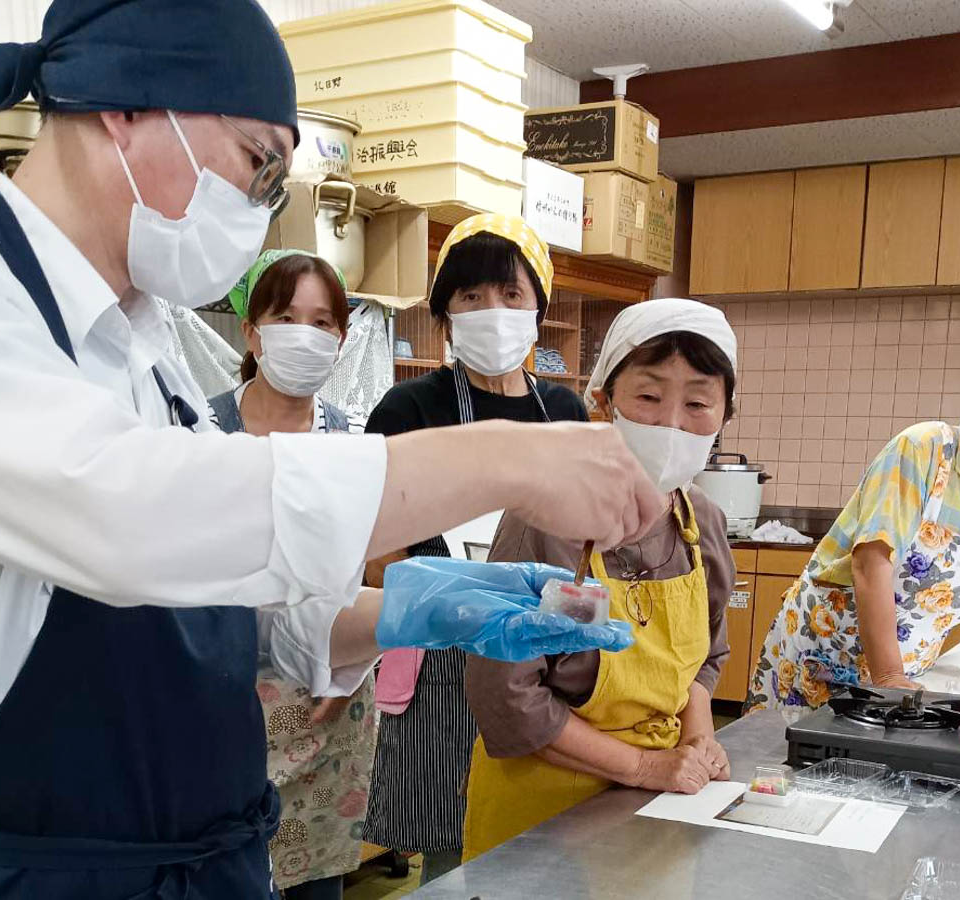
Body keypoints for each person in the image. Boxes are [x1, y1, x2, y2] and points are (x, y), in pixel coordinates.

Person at [0, 3, 664, 898]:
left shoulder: (141, 345)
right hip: (54, 875)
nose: (258, 209)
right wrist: (505, 457)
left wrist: (414, 609)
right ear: (128, 105)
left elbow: (210, 609)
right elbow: (129, 518)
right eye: (258, 165)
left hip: (213, 859)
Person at [462, 299, 739, 861]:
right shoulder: (548, 516)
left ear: (726, 414)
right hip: (543, 809)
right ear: (605, 399)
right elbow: (506, 694)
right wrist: (644, 765)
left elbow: (705, 657)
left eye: (698, 403)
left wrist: (697, 737)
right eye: (648, 395)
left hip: (658, 807)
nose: (671, 423)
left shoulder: (701, 524)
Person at [362, 214, 589, 884]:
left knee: (549, 835)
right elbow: (379, 548)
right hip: (445, 658)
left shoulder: (565, 414)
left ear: (538, 311)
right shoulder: (408, 408)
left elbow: (582, 541)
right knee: (452, 849)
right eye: (471, 297)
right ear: (444, 319)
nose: (493, 311)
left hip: (547, 655)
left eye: (511, 295)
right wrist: (449, 609)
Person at [746, 330, 960, 712]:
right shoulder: (927, 449)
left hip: (905, 677)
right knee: (781, 764)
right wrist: (888, 677)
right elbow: (871, 562)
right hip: (820, 657)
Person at [209, 249, 369, 900]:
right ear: (251, 332)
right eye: (286, 316)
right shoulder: (199, 428)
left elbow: (363, 563)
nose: (305, 334)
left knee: (315, 886)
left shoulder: (353, 437)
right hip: (221, 691)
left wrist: (348, 668)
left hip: (327, 697)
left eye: (323, 321)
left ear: (341, 339)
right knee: (225, 873)